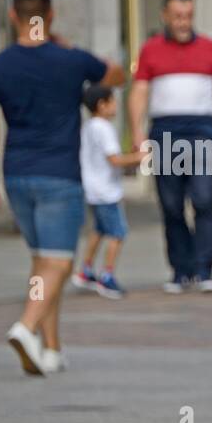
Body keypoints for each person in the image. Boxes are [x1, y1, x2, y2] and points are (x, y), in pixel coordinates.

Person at [0, 0, 124, 375]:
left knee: (42, 262)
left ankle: (50, 349)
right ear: (50, 16)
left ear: (13, 15)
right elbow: (114, 75)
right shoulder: (72, 60)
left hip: (17, 176)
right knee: (60, 264)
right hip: (60, 176)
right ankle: (26, 327)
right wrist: (66, 49)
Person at [129, 0, 212, 294]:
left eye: (188, 16)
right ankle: (181, 269)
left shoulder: (210, 48)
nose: (182, 22)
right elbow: (138, 92)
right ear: (165, 15)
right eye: (177, 16)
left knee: (204, 199)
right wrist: (137, 132)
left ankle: (204, 270)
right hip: (164, 130)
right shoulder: (150, 49)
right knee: (171, 204)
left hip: (201, 130)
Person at [71, 85, 144, 299]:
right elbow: (114, 159)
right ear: (102, 105)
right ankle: (107, 276)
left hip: (93, 188)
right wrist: (139, 158)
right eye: (113, 101)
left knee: (100, 229)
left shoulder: (90, 126)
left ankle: (85, 270)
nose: (116, 106)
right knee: (118, 232)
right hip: (106, 190)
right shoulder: (104, 128)